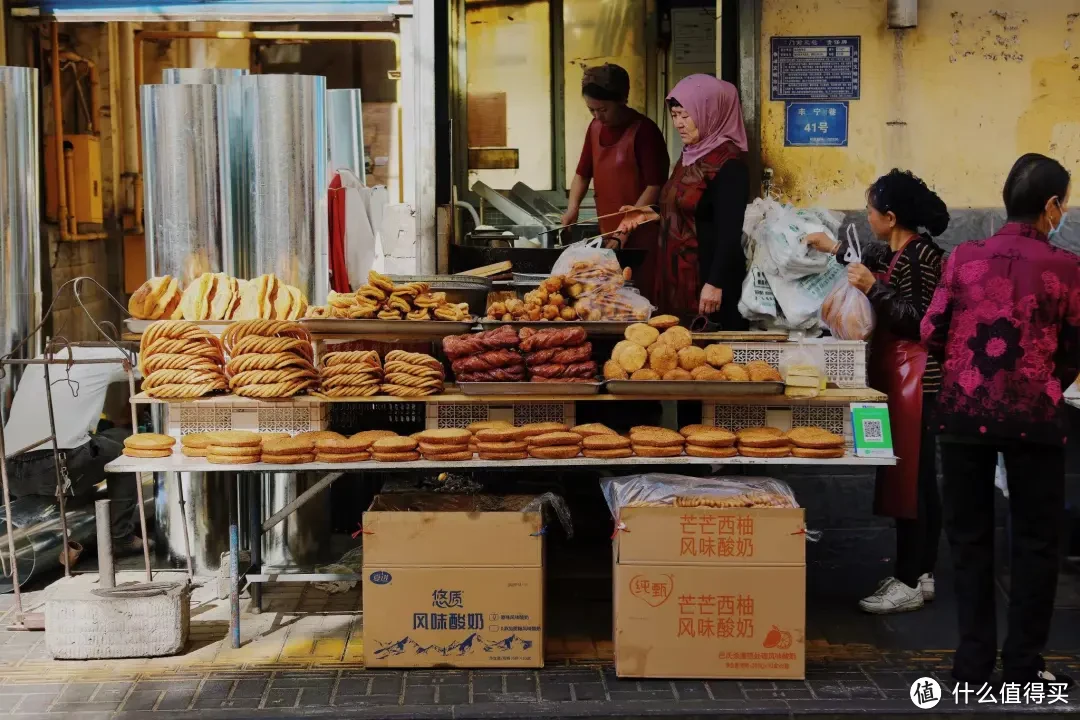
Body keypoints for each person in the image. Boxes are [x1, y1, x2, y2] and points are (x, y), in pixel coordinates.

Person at [922, 153, 1078, 689]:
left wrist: (970, 371)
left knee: (969, 541)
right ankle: (1024, 669)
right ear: (1052, 206)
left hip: (963, 413)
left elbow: (932, 330)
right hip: (1036, 415)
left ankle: (970, 665)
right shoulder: (1066, 268)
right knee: (1036, 543)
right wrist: (1044, 375)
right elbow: (1075, 344)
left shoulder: (964, 257)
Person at [806, 170, 949, 614]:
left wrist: (875, 289)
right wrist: (830, 249)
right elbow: (861, 256)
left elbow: (922, 320)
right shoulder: (893, 249)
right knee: (910, 477)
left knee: (914, 481)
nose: (866, 217)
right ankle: (919, 571)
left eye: (870, 210)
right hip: (896, 373)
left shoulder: (923, 256)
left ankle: (910, 578)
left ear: (890, 216)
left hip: (917, 378)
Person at [618, 74, 750, 328]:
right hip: (676, 277)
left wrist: (715, 284)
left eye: (686, 115)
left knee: (706, 358)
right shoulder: (690, 155)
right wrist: (649, 213)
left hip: (706, 281)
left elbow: (729, 235)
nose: (679, 123)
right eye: (675, 115)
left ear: (709, 112)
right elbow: (689, 207)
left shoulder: (729, 165)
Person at [3, 346, 143, 558]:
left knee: (99, 441)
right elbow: (152, 366)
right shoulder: (105, 357)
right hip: (58, 466)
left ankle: (82, 516)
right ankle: (120, 537)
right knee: (130, 445)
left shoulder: (39, 361)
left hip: (11, 472)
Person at [563, 63, 669, 301]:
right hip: (610, 234)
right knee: (609, 301)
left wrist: (624, 232)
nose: (597, 116)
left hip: (642, 237)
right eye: (591, 110)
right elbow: (582, 174)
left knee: (640, 299)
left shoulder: (644, 131)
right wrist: (572, 208)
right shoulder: (594, 128)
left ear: (622, 99)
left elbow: (655, 185)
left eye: (602, 110)